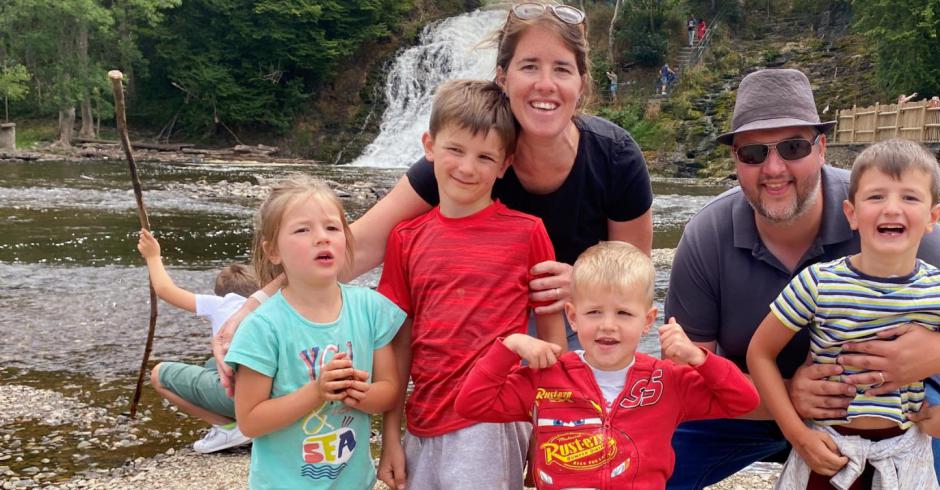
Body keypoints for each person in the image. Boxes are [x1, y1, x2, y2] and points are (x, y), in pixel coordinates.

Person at [213, 0, 652, 392]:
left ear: (581, 83)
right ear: (503, 77)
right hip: (484, 331)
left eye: (561, 69)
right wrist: (255, 305)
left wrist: (579, 280)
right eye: (529, 66)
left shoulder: (614, 157)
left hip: (580, 322)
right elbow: (360, 244)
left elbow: (635, 273)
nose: (545, 84)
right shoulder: (466, 161)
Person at [664, 68, 940, 489]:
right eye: (753, 153)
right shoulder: (706, 235)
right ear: (735, 162)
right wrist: (787, 399)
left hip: (892, 405)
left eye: (793, 147)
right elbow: (682, 378)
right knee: (639, 461)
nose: (773, 168)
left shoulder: (886, 215)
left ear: (821, 149)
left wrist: (933, 356)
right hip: (745, 407)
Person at [748, 139, 940, 489]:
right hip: (828, 451)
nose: (892, 209)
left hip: (905, 455)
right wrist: (796, 432)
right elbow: (760, 352)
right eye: (876, 197)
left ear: (933, 217)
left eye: (909, 197)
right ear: (852, 214)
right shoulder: (818, 283)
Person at [375, 79, 568, 490]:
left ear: (504, 164)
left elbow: (552, 341)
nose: (466, 168)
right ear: (429, 145)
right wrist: (391, 436)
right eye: (455, 150)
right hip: (422, 420)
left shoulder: (528, 233)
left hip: (492, 420)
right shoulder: (404, 240)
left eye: (484, 157)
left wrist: (547, 431)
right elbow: (398, 346)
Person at [455, 241, 760, 489]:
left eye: (624, 314)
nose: (608, 326)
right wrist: (509, 348)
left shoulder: (669, 381)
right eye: (595, 312)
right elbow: (471, 404)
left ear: (648, 321)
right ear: (573, 317)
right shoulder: (545, 378)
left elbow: (744, 400)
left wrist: (699, 358)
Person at [225, 175, 405, 489]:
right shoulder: (263, 327)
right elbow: (250, 420)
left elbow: (389, 391)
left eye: (332, 228)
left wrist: (360, 393)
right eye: (302, 230)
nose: (321, 238)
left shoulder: (370, 309)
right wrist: (316, 392)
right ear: (273, 251)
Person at [137, 229, 257, 454]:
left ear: (219, 294)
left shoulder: (220, 304)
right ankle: (248, 422)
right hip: (267, 395)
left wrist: (153, 256)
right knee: (213, 364)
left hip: (244, 397)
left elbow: (165, 290)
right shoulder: (269, 304)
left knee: (159, 374)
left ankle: (229, 428)